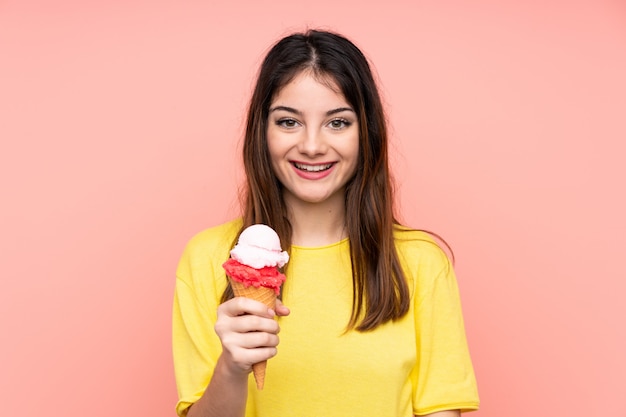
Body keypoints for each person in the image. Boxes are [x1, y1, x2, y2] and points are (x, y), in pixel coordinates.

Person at [172, 29, 479, 417]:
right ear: (262, 132)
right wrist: (232, 368)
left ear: (365, 133)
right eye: (288, 122)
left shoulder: (419, 261)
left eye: (337, 123)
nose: (313, 145)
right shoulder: (207, 259)